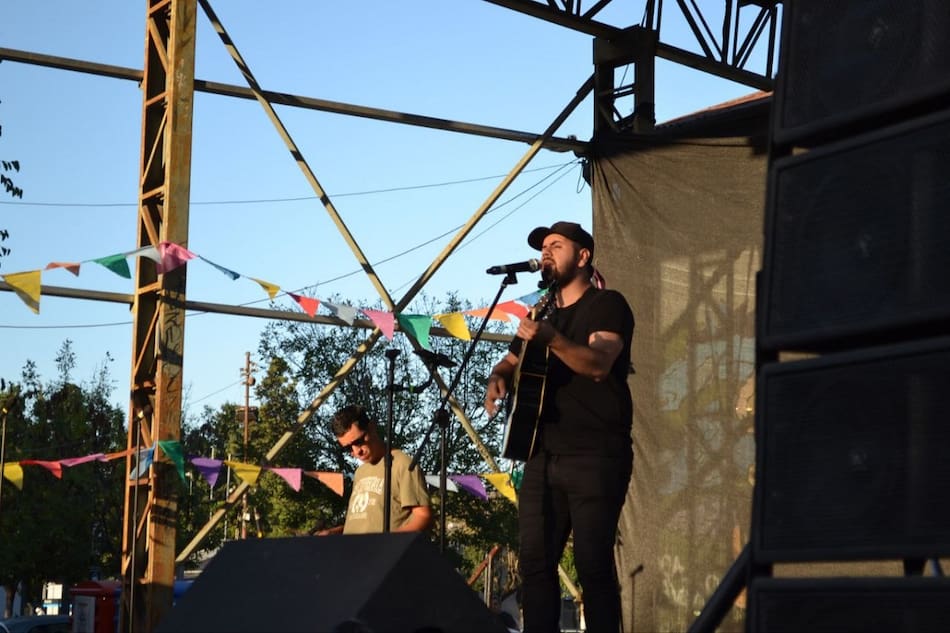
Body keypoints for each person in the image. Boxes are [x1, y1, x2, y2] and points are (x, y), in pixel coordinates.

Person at [484, 221, 634, 633]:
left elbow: (599, 364)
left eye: (556, 245)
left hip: (596, 453)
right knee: (535, 563)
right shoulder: (540, 311)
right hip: (541, 452)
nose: (546, 252)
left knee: (592, 564)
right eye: (543, 247)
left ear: (583, 256)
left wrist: (552, 339)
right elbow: (510, 362)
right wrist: (497, 377)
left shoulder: (607, 304)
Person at [316, 404, 432, 535]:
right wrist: (333, 533)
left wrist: (388, 543)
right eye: (348, 448)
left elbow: (423, 516)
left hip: (385, 548)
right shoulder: (360, 472)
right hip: (352, 548)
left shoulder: (402, 464)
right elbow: (362, 525)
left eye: (358, 441)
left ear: (371, 427)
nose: (356, 451)